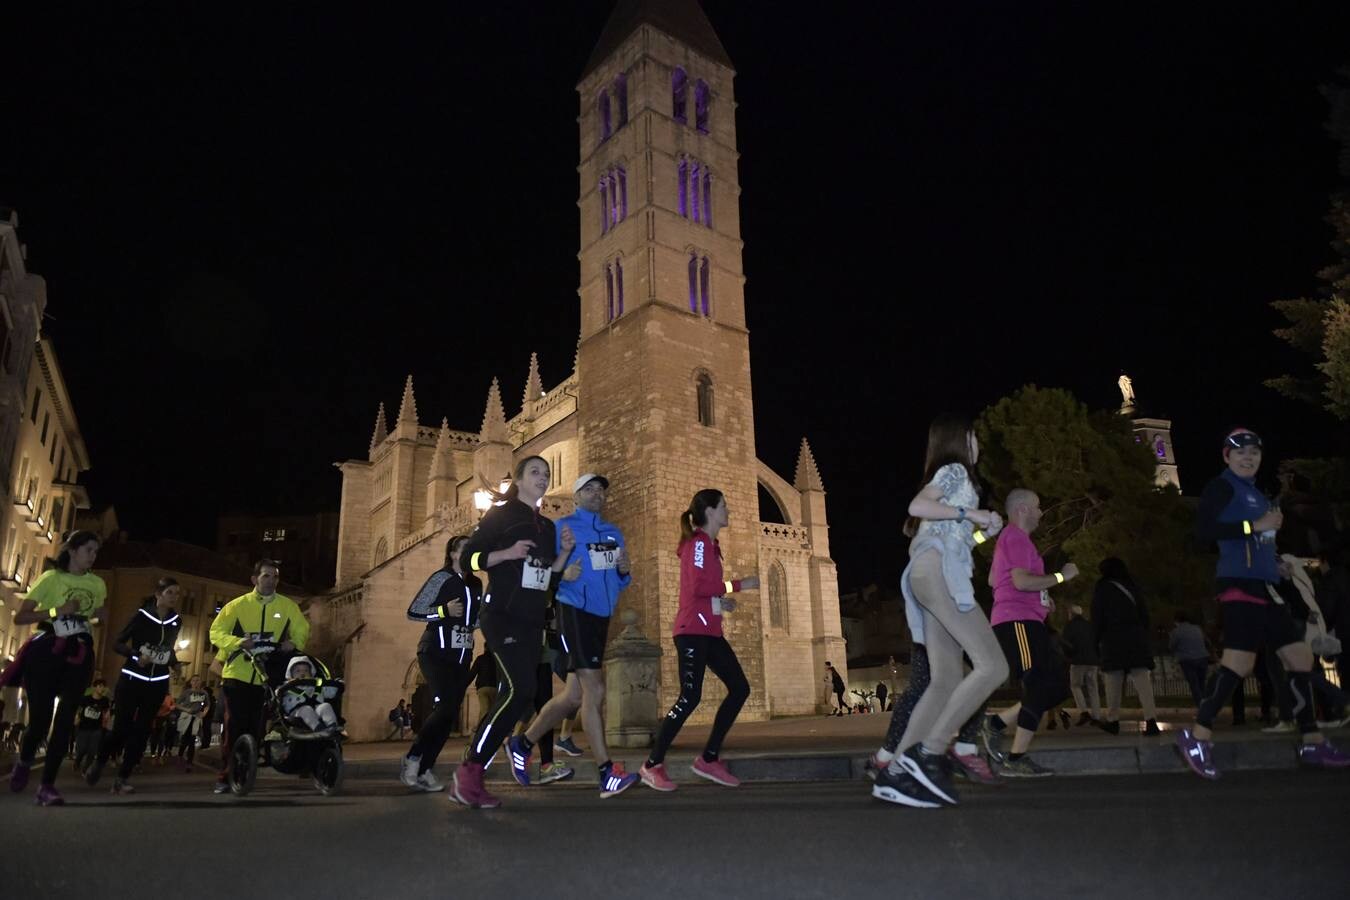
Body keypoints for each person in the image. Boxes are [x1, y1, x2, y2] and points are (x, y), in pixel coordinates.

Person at [1176, 428, 1350, 778]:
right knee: (1238, 664)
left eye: (1254, 452)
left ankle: (1312, 741)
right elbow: (1205, 531)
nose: (1248, 457)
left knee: (1299, 657)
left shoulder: (1254, 492)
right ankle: (1197, 737)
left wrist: (1277, 564)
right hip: (1240, 586)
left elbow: (1257, 542)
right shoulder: (1221, 487)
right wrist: (1254, 526)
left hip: (1266, 585)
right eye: (1240, 452)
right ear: (1226, 456)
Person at [872, 414, 1008, 808]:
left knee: (946, 678)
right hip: (937, 575)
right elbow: (919, 505)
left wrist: (983, 530)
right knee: (993, 667)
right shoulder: (955, 471)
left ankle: (896, 772)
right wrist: (972, 514)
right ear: (962, 439)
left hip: (929, 575)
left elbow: (949, 535)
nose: (979, 442)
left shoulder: (956, 482)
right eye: (975, 436)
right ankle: (928, 753)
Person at [450, 455, 575, 809]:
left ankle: (474, 773)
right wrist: (505, 553)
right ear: (518, 481)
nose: (543, 477)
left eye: (546, 473)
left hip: (531, 620)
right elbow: (469, 558)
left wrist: (564, 554)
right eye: (535, 471)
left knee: (517, 694)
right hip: (502, 615)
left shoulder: (547, 527)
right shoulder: (500, 516)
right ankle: (471, 770)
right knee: (522, 690)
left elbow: (547, 576)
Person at [512, 473, 639, 798]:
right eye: (589, 489)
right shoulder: (562, 527)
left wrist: (624, 570)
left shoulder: (614, 533)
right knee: (594, 691)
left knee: (573, 697)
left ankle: (522, 743)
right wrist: (562, 570)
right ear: (576, 496)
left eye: (600, 490)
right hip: (574, 613)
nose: (597, 494)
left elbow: (620, 579)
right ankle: (606, 772)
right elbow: (541, 569)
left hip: (600, 619)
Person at [638, 489, 759, 792]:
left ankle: (709, 758)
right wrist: (738, 585)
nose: (728, 511)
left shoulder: (710, 545)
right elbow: (698, 585)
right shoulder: (700, 543)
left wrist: (721, 603)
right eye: (724, 506)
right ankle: (652, 765)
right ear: (710, 512)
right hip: (692, 632)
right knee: (690, 697)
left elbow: (702, 590)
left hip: (708, 631)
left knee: (740, 688)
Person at [4, 532, 106, 805]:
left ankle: (47, 786)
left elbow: (96, 616)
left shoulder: (97, 584)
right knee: (39, 722)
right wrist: (55, 612)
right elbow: (20, 616)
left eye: (96, 551)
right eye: (88, 550)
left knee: (64, 722)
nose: (93, 556)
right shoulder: (51, 579)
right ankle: (25, 762)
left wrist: (98, 617)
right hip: (47, 651)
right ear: (72, 551)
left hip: (79, 653)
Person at [983, 489, 1078, 777]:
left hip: (1026, 621)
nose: (1040, 513)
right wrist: (1062, 576)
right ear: (1023, 509)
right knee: (1039, 684)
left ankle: (996, 725)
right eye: (1037, 507)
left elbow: (992, 579)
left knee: (1057, 687)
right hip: (1018, 622)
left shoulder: (1012, 541)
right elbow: (1022, 583)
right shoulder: (1016, 537)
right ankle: (1015, 758)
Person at [208, 559, 310, 794]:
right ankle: (225, 776)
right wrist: (238, 642)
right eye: (266, 576)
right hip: (237, 676)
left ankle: (247, 769)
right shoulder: (236, 606)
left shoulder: (287, 606)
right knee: (233, 728)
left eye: (275, 577)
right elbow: (216, 631)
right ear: (255, 579)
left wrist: (293, 643)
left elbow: (302, 629)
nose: (272, 581)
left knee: (256, 728)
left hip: (267, 677)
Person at [400, 534, 481, 792]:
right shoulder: (441, 578)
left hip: (461, 657)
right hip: (434, 652)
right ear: (454, 554)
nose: (469, 553)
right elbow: (414, 611)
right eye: (464, 548)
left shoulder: (476, 584)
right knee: (445, 707)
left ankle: (425, 769)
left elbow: (474, 620)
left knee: (448, 716)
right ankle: (413, 757)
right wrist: (443, 611)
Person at [90, 578, 184, 792]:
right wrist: (135, 655)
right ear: (158, 594)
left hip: (158, 683)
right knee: (121, 728)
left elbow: (168, 649)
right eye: (170, 592)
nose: (174, 597)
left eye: (177, 594)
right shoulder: (142, 616)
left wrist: (176, 664)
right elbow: (117, 643)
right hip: (132, 679)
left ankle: (123, 777)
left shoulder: (176, 621)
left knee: (142, 731)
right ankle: (100, 761)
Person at [1092, 558, 1160, 735]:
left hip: (1113, 640)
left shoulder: (1103, 588)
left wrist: (1095, 641)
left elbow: (1097, 617)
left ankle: (1113, 720)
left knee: (1113, 680)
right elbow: (1144, 615)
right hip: (1136, 639)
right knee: (1142, 681)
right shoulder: (1133, 586)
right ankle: (1151, 720)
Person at [1060, 605, 1101, 726]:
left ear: (1071, 614)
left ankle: (1084, 712)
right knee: (1093, 687)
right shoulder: (1090, 625)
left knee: (1075, 685)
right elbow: (1096, 641)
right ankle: (1096, 715)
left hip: (1077, 661)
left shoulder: (1070, 626)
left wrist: (1069, 656)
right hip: (1092, 661)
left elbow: (1065, 643)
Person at [279, 657, 340, 732]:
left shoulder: (317, 684)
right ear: (291, 675)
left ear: (311, 673)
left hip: (316, 708)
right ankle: (319, 729)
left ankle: (332, 726)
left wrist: (337, 684)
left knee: (326, 706)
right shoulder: (288, 687)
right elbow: (278, 693)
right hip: (297, 712)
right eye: (298, 671)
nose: (302, 673)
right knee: (306, 710)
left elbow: (331, 693)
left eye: (306, 670)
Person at [1169, 611, 1211, 706]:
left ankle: (1201, 706)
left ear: (1176, 620)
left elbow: (1171, 646)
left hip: (1187, 660)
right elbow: (1206, 641)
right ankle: (1206, 704)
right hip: (1202, 657)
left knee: (1194, 684)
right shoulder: (1197, 628)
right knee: (1201, 684)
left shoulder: (1176, 632)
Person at [72, 679, 110, 776]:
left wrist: (106, 717)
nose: (102, 689)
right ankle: (77, 761)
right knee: (81, 749)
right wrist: (76, 718)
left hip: (96, 729)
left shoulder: (105, 700)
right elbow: (79, 710)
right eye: (100, 686)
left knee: (92, 752)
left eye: (103, 687)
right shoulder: (86, 699)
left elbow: (106, 711)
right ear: (94, 687)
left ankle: (85, 770)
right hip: (83, 727)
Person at [176, 674, 211, 771]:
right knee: (185, 739)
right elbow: (177, 704)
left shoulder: (203, 693)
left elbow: (208, 704)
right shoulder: (186, 692)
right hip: (187, 717)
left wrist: (204, 713)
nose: (196, 682)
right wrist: (186, 709)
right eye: (194, 680)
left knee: (192, 739)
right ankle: (180, 755)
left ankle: (189, 762)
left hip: (196, 718)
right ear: (191, 682)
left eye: (198, 680)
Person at [468, 651, 498, 731]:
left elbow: (472, 673)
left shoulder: (480, 658)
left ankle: (480, 730)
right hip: (495, 687)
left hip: (482, 688)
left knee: (484, 710)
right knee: (492, 711)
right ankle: (490, 730)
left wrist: (464, 685)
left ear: (485, 648)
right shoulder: (497, 659)